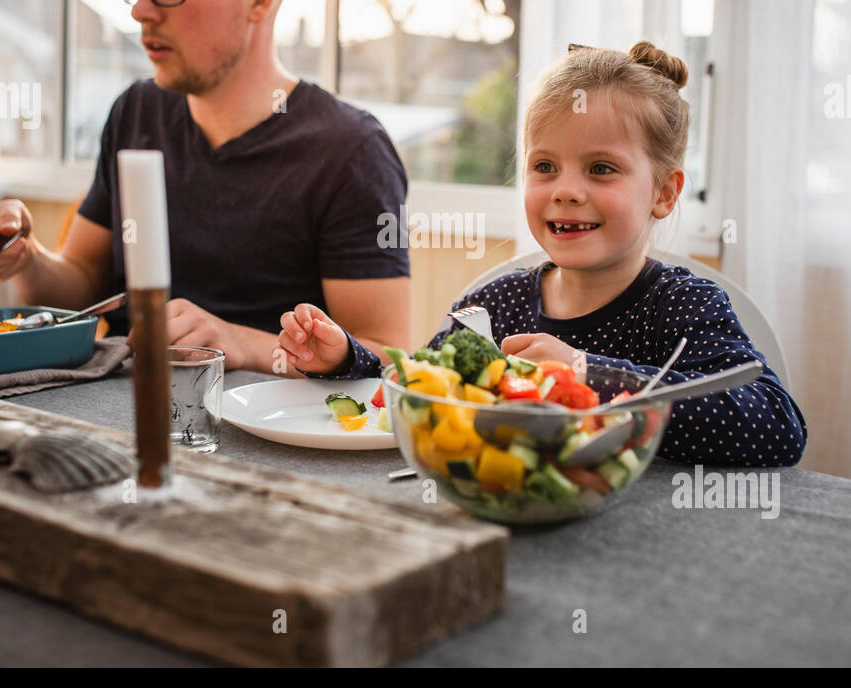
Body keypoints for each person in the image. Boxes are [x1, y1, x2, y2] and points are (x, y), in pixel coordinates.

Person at [274, 41, 808, 466]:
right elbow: (424, 384)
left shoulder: (684, 306)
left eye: (601, 168)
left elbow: (775, 427)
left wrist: (584, 372)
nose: (565, 190)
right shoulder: (495, 303)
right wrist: (347, 358)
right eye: (544, 166)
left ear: (665, 193)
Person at [0, 0, 411, 372]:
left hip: (262, 438)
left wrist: (236, 342)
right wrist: (25, 258)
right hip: (115, 411)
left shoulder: (350, 150)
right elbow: (83, 281)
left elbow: (387, 354)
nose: (139, 9)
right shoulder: (136, 112)